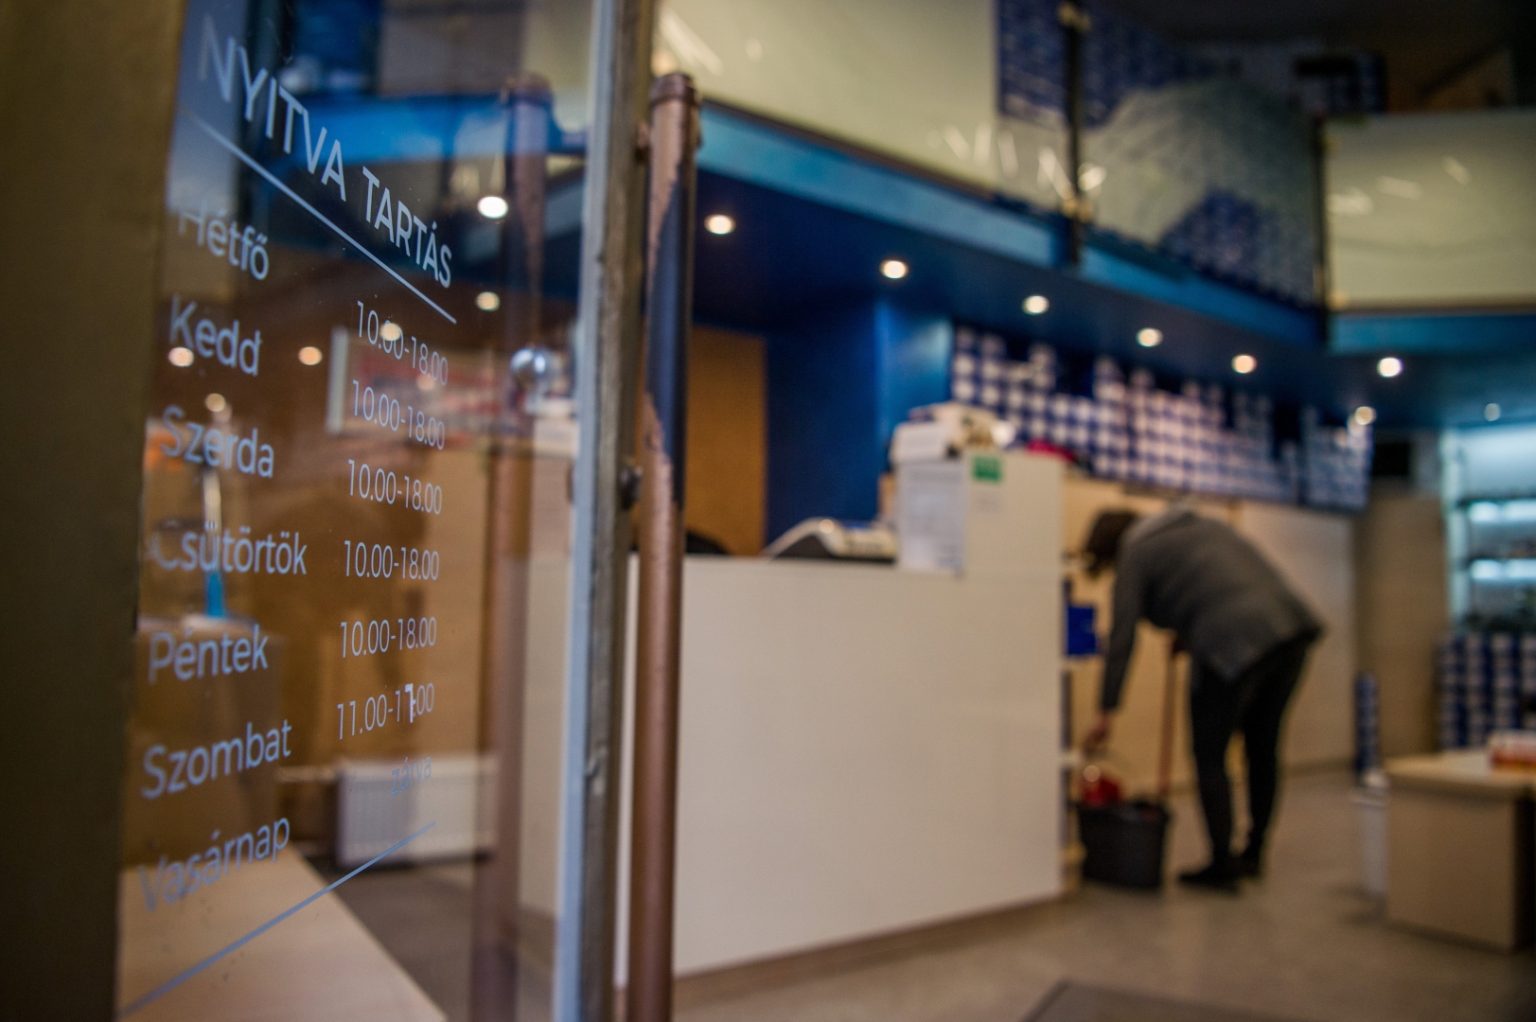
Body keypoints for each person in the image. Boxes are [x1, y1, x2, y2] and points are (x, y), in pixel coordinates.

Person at [1081, 505, 1323, 892]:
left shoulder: (1136, 551)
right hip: (1290, 631)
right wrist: (1187, 632)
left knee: (1209, 753)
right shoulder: (1201, 525)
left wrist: (1106, 710)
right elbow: (1219, 586)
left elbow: (1122, 638)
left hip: (1230, 642)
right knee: (1263, 747)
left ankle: (1221, 863)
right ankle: (1254, 853)